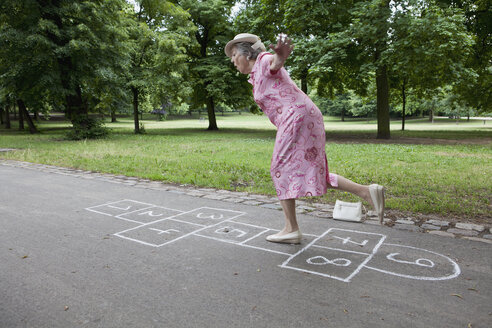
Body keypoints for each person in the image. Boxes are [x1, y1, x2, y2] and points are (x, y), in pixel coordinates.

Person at [225, 33, 385, 244]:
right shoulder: (256, 74)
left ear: (248, 53)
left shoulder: (263, 60)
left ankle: (291, 229)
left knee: (278, 168)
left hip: (296, 117)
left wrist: (280, 56)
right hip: (304, 116)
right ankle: (366, 192)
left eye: (234, 54)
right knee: (313, 169)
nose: (232, 60)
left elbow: (275, 63)